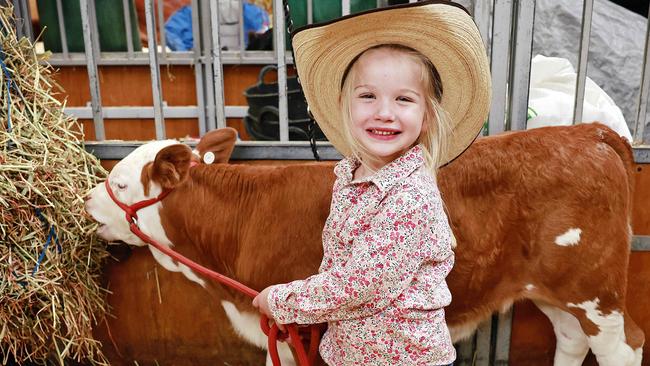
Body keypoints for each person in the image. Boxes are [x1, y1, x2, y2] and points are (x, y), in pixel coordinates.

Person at [252, 1, 491, 365]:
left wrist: (283, 302)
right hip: (349, 355)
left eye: (403, 99)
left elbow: (361, 287)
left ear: (426, 117)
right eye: (367, 96)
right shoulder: (350, 177)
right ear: (344, 104)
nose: (384, 112)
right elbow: (340, 266)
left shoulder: (410, 197)